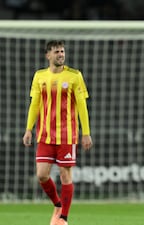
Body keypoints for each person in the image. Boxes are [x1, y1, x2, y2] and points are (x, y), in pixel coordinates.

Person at [22, 40, 93, 225]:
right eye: (56, 52)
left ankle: (63, 217)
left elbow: (82, 106)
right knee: (42, 175)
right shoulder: (39, 76)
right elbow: (35, 105)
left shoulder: (74, 76)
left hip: (67, 136)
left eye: (62, 51)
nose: (61, 54)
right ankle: (58, 203)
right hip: (45, 135)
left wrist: (86, 132)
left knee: (65, 176)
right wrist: (28, 129)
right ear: (48, 55)